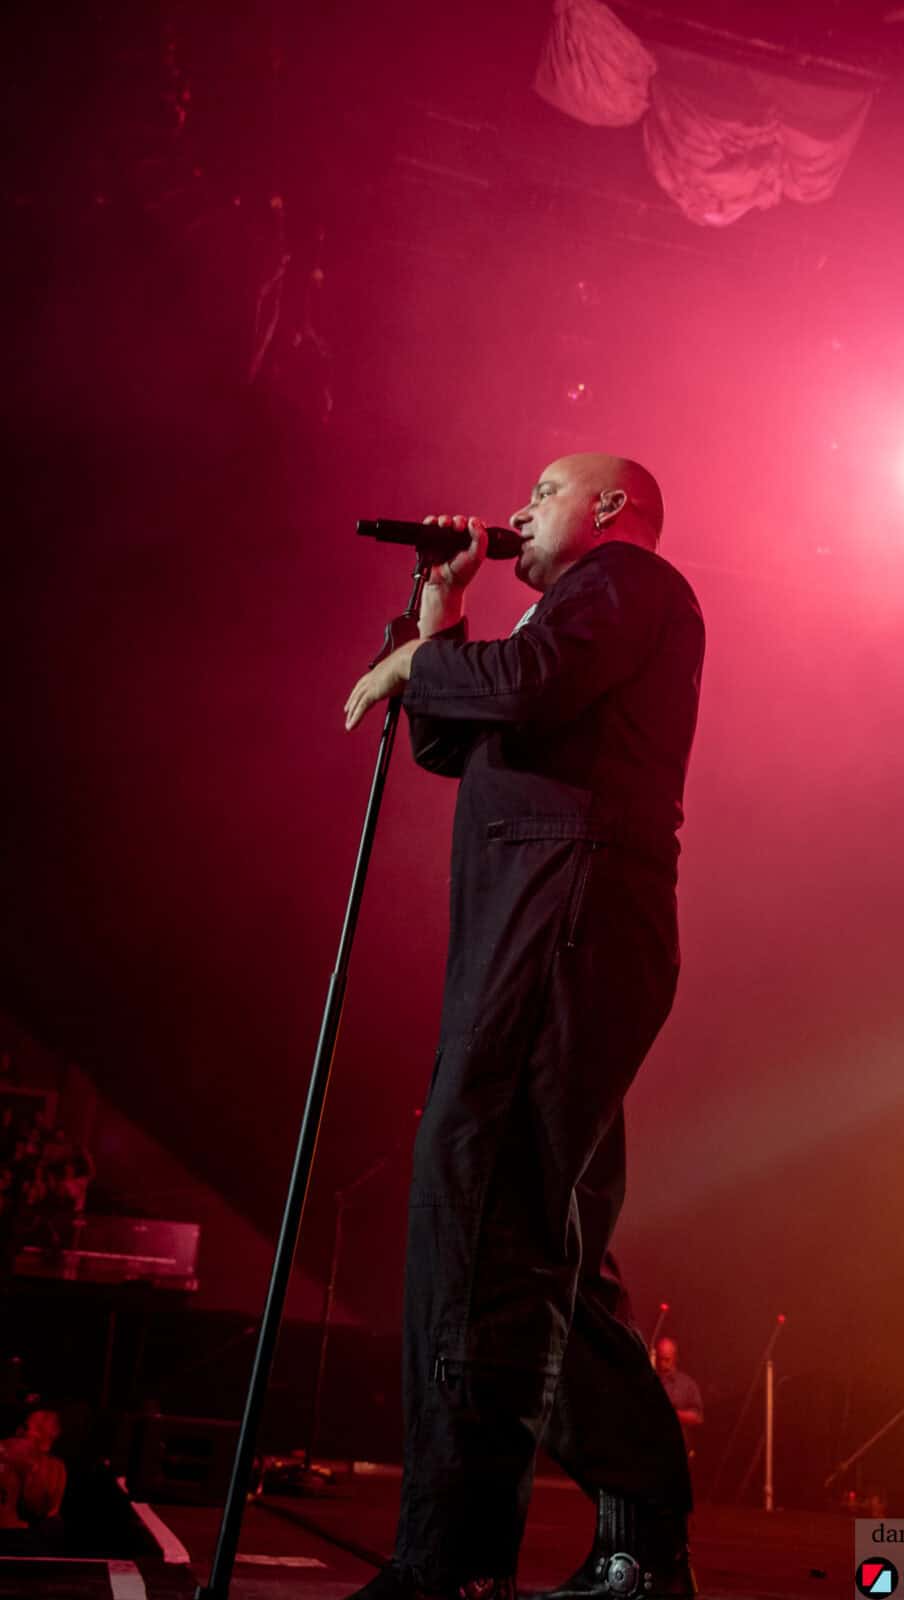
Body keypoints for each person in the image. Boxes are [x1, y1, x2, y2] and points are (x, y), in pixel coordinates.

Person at [343, 454, 705, 1600]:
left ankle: (450, 1563)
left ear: (607, 508)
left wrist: (421, 657)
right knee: (537, 1237)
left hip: (565, 916)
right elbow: (448, 738)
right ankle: (634, 1542)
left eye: (544, 491)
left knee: (486, 1213)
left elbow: (525, 683)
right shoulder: (566, 613)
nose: (516, 510)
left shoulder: (629, 584)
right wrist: (439, 610)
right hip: (546, 927)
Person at [653, 1340, 703, 1435]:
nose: (662, 1364)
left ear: (675, 1358)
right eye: (659, 1359)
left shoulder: (687, 1384)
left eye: (667, 1360)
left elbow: (698, 1417)